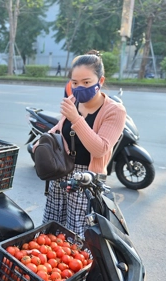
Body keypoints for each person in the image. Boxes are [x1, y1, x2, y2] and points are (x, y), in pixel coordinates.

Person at [36, 53, 126, 236]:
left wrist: (76, 118)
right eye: (74, 83)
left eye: (86, 82)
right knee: (53, 228)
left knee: (78, 233)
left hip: (87, 179)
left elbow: (100, 149)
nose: (79, 88)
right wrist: (45, 139)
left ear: (100, 80)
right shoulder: (72, 102)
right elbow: (61, 127)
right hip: (61, 170)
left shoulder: (114, 111)